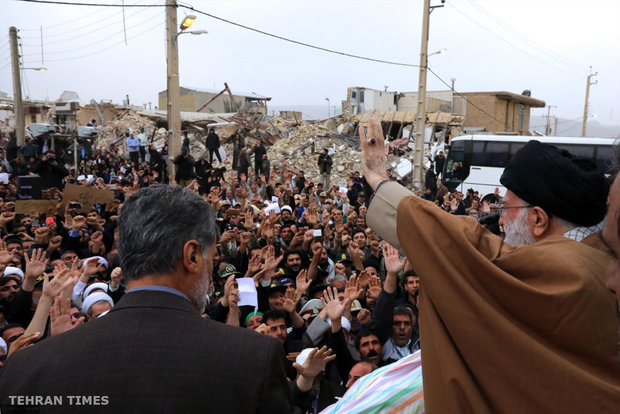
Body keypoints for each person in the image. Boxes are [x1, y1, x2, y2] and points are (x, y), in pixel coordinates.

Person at [359, 118, 620, 413]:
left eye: (506, 208)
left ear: (538, 219)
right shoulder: (600, 259)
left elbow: (459, 246)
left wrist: (379, 178)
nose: (500, 220)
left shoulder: (563, 268)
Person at [0, 185, 292, 413]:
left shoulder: (30, 366)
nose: (211, 270)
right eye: (211, 257)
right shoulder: (254, 359)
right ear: (191, 255)